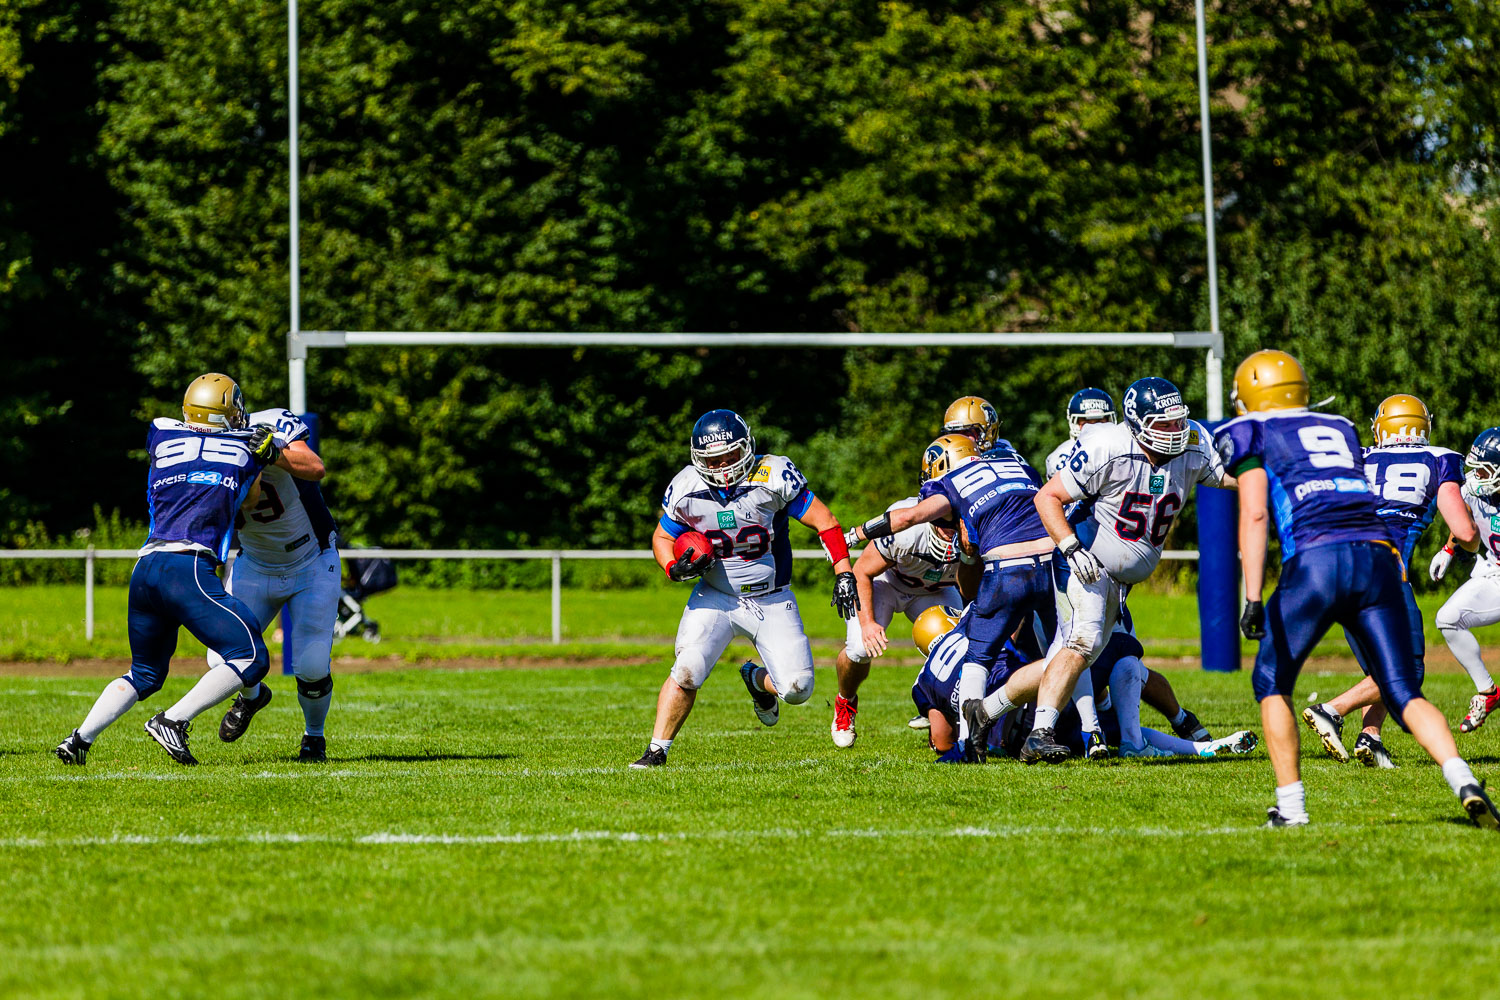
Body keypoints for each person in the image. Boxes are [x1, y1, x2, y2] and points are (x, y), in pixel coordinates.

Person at [1217, 349, 1498, 830]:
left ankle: (1292, 810)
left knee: (1271, 684)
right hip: (1379, 561)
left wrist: (1251, 596)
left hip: (1316, 561)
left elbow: (1257, 513)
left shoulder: (1250, 432)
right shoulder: (1341, 429)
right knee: (1405, 689)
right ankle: (1464, 782)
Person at [55, 374, 280, 766]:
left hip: (146, 569)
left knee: (144, 673)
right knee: (251, 656)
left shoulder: (161, 434)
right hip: (188, 568)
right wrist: (265, 455)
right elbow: (252, 499)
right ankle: (173, 720)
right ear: (227, 411)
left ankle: (78, 740)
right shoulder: (246, 449)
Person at [1016, 376, 1233, 764]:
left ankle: (990, 712)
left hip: (1122, 576)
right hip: (1087, 559)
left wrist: (1273, 477)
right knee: (1081, 641)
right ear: (1135, 424)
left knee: (1099, 651)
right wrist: (1070, 547)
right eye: (1162, 425)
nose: (1174, 432)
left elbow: (1230, 479)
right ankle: (1042, 732)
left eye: (1177, 421)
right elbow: (1047, 496)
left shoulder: (1195, 443)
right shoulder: (1106, 446)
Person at [630, 410, 857, 768]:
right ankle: (656, 750)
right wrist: (672, 567)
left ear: (746, 448)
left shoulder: (772, 475)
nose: (722, 466)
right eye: (712, 459)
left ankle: (755, 678)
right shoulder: (687, 486)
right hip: (715, 596)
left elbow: (824, 521)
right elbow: (662, 536)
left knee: (798, 690)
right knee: (687, 668)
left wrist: (844, 572)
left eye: (730, 456)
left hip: (771, 597)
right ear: (697, 458)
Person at [846, 431, 1069, 749]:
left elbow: (971, 590)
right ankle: (1081, 724)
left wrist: (967, 554)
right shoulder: (919, 525)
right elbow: (870, 563)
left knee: (973, 650)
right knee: (1063, 649)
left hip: (952, 588)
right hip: (894, 584)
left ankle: (968, 733)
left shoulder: (975, 511)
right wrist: (867, 622)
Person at [1302, 394, 1477, 767]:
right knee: (1408, 669)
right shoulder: (1440, 458)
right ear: (1423, 425)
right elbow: (1463, 530)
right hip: (1381, 571)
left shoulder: (1358, 455)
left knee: (1380, 664)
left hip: (1331, 566)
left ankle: (1371, 737)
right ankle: (1332, 709)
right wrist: (1465, 545)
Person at [210, 407, 341, 763]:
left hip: (311, 560)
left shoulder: (267, 427)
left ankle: (314, 737)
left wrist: (274, 453)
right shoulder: (198, 448)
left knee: (312, 666)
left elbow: (315, 468)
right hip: (254, 563)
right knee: (219, 655)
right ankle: (252, 697)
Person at [831, 440, 965, 748]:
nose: (948, 523)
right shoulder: (908, 526)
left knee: (956, 646)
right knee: (859, 649)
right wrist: (867, 624)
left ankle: (937, 707)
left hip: (938, 591)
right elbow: (863, 571)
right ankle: (845, 702)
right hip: (888, 584)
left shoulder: (978, 522)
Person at [1429, 426, 1500, 733]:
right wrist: (1449, 548)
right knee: (1447, 618)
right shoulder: (1473, 487)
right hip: (1493, 573)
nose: (1478, 476)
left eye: (1485, 470)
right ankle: (1488, 692)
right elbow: (1465, 514)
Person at [1044, 388, 1117, 476]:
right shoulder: (1062, 456)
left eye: (1099, 422)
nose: (1094, 428)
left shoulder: (1123, 447)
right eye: (1086, 423)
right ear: (1075, 423)